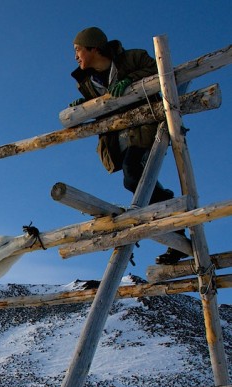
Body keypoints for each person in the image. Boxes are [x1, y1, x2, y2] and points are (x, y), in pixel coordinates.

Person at [70, 27, 188, 265]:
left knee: (133, 177)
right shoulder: (86, 82)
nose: (76, 56)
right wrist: (84, 105)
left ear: (93, 48)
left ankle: (174, 223)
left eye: (78, 49)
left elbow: (159, 71)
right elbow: (102, 107)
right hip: (119, 138)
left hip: (146, 130)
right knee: (137, 180)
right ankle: (174, 233)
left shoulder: (133, 58)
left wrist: (129, 80)